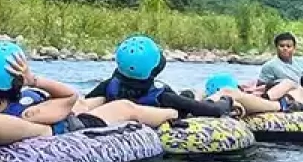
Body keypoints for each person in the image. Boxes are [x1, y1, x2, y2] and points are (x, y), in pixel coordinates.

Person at [0, 41, 180, 134]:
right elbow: (69, 96)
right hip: (77, 125)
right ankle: (175, 111)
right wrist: (33, 80)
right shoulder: (31, 113)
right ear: (18, 81)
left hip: (68, 112)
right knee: (124, 106)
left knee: (89, 101)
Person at [82, 36, 236, 119]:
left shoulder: (108, 86)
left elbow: (85, 103)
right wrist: (227, 100)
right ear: (155, 69)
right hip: (165, 111)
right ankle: (200, 93)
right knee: (188, 96)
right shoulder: (163, 96)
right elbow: (214, 110)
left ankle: (195, 93)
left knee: (188, 94)